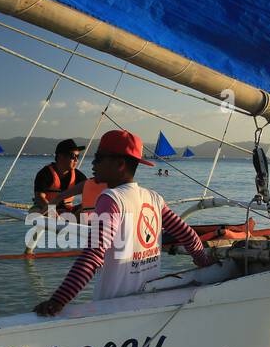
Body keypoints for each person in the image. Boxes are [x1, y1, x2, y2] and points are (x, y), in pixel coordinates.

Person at [34, 131, 214, 316]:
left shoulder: (111, 199)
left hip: (113, 309)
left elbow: (94, 255)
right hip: (148, 305)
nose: (93, 164)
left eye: (99, 158)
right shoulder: (153, 197)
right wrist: (204, 262)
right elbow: (188, 235)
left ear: (120, 164)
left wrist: (57, 301)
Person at [32, 139, 87, 215]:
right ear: (61, 156)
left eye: (78, 156)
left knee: (85, 210)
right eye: (73, 156)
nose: (76, 160)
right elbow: (39, 198)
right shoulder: (45, 173)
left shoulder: (78, 175)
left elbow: (89, 191)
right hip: (44, 208)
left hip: (67, 209)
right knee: (35, 212)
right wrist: (52, 212)